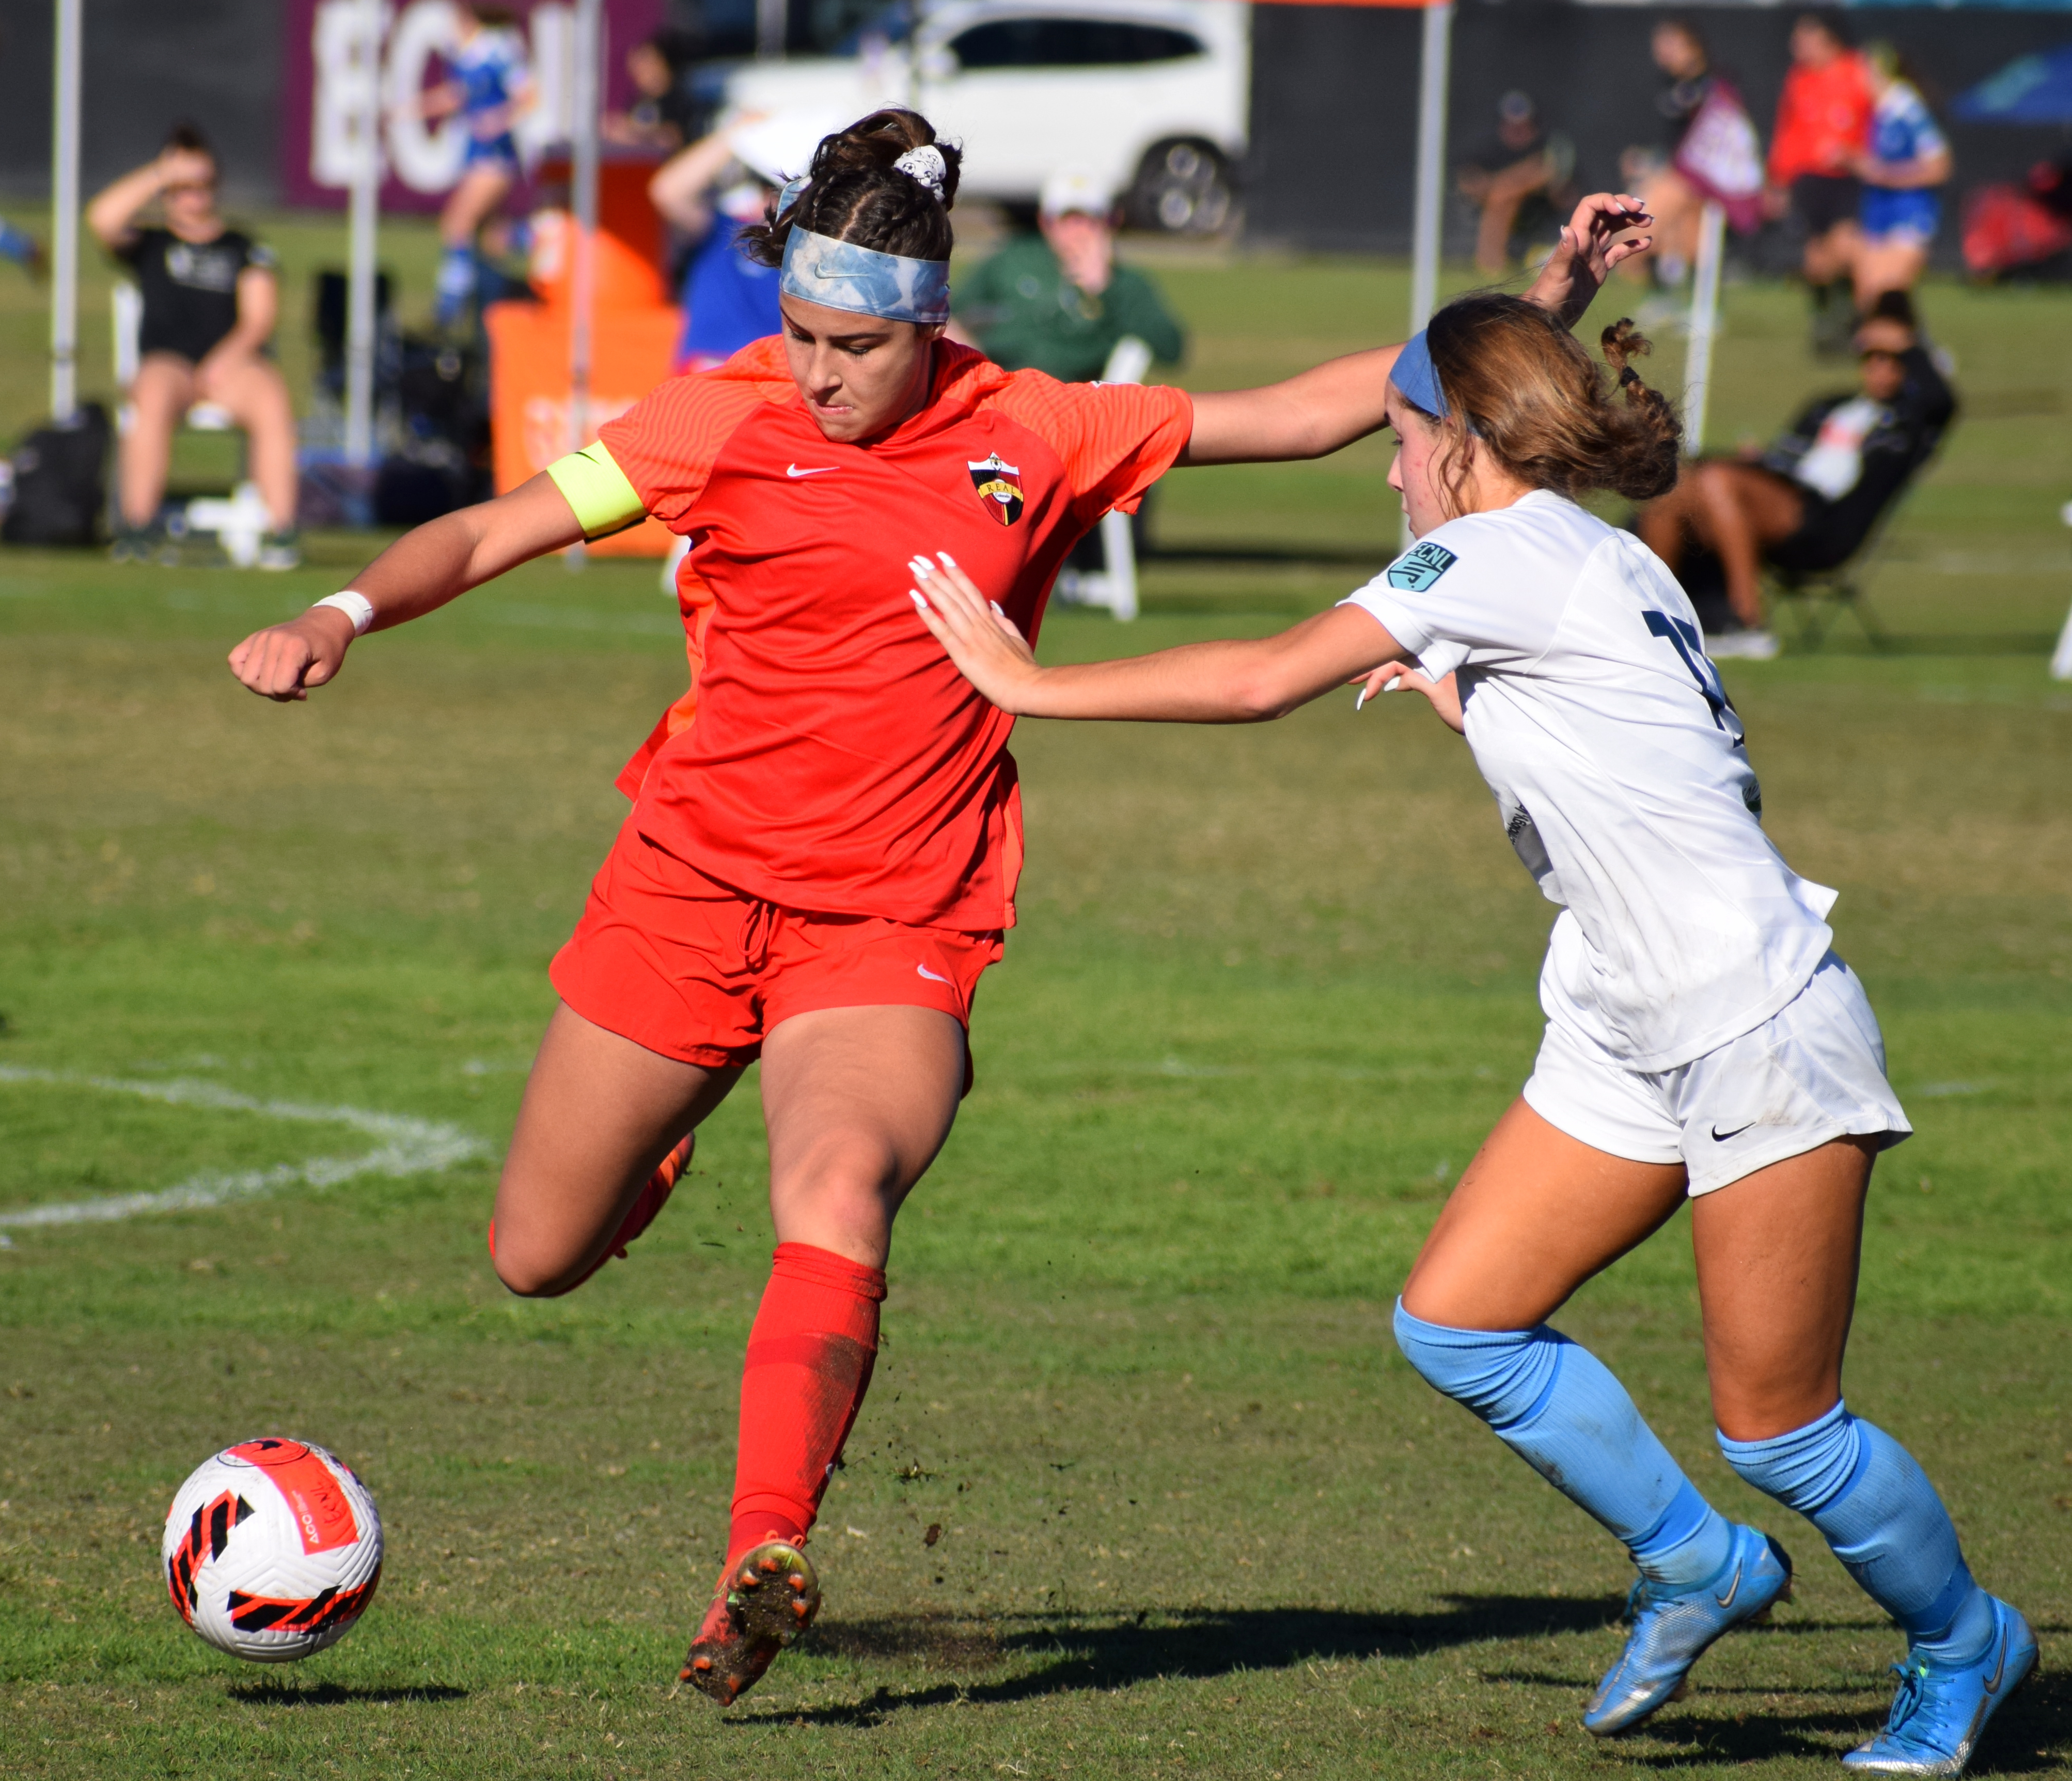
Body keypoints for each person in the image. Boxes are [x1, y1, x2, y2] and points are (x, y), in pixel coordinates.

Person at [224, 105, 1652, 1709]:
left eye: (851, 346)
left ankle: (757, 1557)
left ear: (927, 332)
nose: (818, 372)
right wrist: (340, 610)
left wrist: (1529, 303)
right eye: (798, 335)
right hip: (686, 888)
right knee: (533, 1254)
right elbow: (497, 524)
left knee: (836, 1186)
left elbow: (1322, 410)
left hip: (892, 920)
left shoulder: (1032, 427)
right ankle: (669, 1122)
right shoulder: (714, 420)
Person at [910, 291, 2034, 1780]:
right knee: (1458, 1323)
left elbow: (1258, 680)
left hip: (1749, 1016)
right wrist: (1467, 706)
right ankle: (1695, 1565)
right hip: (1625, 1014)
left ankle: (1965, 1646)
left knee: (1778, 1429)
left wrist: (1027, 684)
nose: (1386, 473)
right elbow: (1639, 749)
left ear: (1459, 442)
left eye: (1395, 442)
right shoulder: (1596, 556)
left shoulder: (1491, 552)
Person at [1638, 289, 1954, 656]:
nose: (1879, 368)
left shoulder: (1907, 423)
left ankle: (1747, 622)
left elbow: (1942, 401)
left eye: (1892, 360)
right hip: (1781, 496)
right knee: (1675, 483)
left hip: (1826, 524)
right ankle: (1654, 616)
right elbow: (1784, 461)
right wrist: (1759, 465)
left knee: (1717, 482)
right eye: (1871, 357)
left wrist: (1910, 346)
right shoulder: (1829, 406)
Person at [87, 123, 298, 569]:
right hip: (170, 364)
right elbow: (101, 218)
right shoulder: (151, 242)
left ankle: (282, 531)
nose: (191, 197)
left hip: (229, 366)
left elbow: (260, 317)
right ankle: (138, 527)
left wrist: (225, 359)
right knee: (152, 392)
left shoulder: (243, 247)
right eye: (180, 188)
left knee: (272, 395)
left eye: (199, 185)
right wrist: (161, 173)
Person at [951, 168, 1185, 383]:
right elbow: (951, 313)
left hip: (1075, 403)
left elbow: (1171, 350)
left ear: (1108, 223)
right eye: (1068, 220)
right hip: (1001, 386)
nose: (1079, 231)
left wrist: (1104, 289)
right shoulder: (1012, 259)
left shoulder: (1125, 282)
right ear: (1047, 223)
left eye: (1089, 219)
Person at [411, 2, 536, 330]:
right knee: (495, 238)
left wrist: (500, 119)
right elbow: (458, 95)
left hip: (495, 156)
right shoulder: (466, 52)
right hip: (475, 154)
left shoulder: (498, 49)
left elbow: (529, 95)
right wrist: (416, 109)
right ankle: (547, 241)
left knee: (457, 224)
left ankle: (448, 308)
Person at [1765, 14, 1874, 356]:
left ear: (1827, 39)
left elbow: (1877, 120)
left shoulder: (1858, 71)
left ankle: (1854, 320)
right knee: (1816, 261)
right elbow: (1788, 132)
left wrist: (1862, 155)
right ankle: (1827, 325)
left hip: (1849, 178)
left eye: (1804, 38)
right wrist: (1778, 182)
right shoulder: (1800, 79)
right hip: (1810, 180)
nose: (1796, 46)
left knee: (1847, 248)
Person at [647, 117, 789, 374]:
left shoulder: (803, 243)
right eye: (769, 187)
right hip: (710, 368)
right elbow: (667, 191)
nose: (773, 200)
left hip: (775, 375)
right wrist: (736, 135)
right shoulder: (722, 228)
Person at [1853, 42, 1951, 309]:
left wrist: (1886, 175)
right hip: (1878, 209)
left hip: (1909, 210)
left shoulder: (1908, 110)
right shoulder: (1875, 112)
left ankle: (1920, 350)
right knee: (1869, 295)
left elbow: (1939, 166)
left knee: (1888, 293)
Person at [1456, 91, 1577, 276]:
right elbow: (1469, 182)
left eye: (1523, 125)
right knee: (1502, 197)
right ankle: (1491, 262)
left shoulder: (1545, 146)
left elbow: (1561, 187)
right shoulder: (1490, 149)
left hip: (1538, 214)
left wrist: (1518, 183)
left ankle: (1490, 262)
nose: (1517, 130)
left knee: (1504, 194)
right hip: (1499, 211)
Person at [602, 30, 704, 153]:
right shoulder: (640, 101)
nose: (637, 69)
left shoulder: (677, 100)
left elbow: (672, 139)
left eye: (645, 61)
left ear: (662, 62)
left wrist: (633, 132)